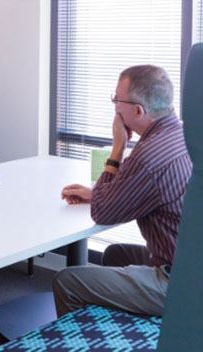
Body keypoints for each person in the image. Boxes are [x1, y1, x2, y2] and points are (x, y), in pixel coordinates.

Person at [55, 65, 192, 318]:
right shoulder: (182, 133)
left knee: (67, 281)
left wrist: (117, 148)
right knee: (115, 254)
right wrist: (95, 192)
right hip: (189, 260)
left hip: (180, 282)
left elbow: (103, 212)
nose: (114, 106)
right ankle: (118, 333)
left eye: (117, 99)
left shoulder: (149, 157)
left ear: (138, 111)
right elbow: (118, 196)